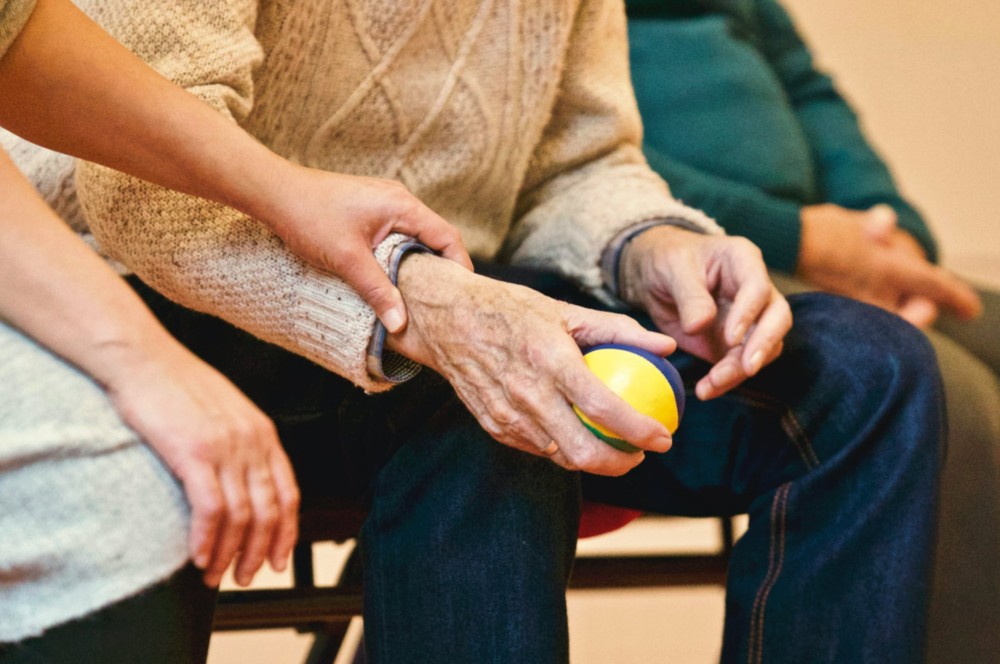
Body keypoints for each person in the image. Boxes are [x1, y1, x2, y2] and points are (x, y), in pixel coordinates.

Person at [3, 0, 948, 662]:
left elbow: (578, 161)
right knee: (496, 398)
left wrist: (650, 246)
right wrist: (431, 308)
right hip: (187, 288)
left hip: (464, 291)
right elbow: (142, 193)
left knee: (870, 373)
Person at [0, 0, 469, 660]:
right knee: (127, 507)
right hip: (109, 270)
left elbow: (16, 36)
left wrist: (287, 190)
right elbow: (130, 199)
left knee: (474, 405)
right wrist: (145, 362)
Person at [624, 1, 1000, 660]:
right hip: (675, 262)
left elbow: (809, 91)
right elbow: (575, 155)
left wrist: (893, 236)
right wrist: (796, 237)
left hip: (824, 255)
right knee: (940, 387)